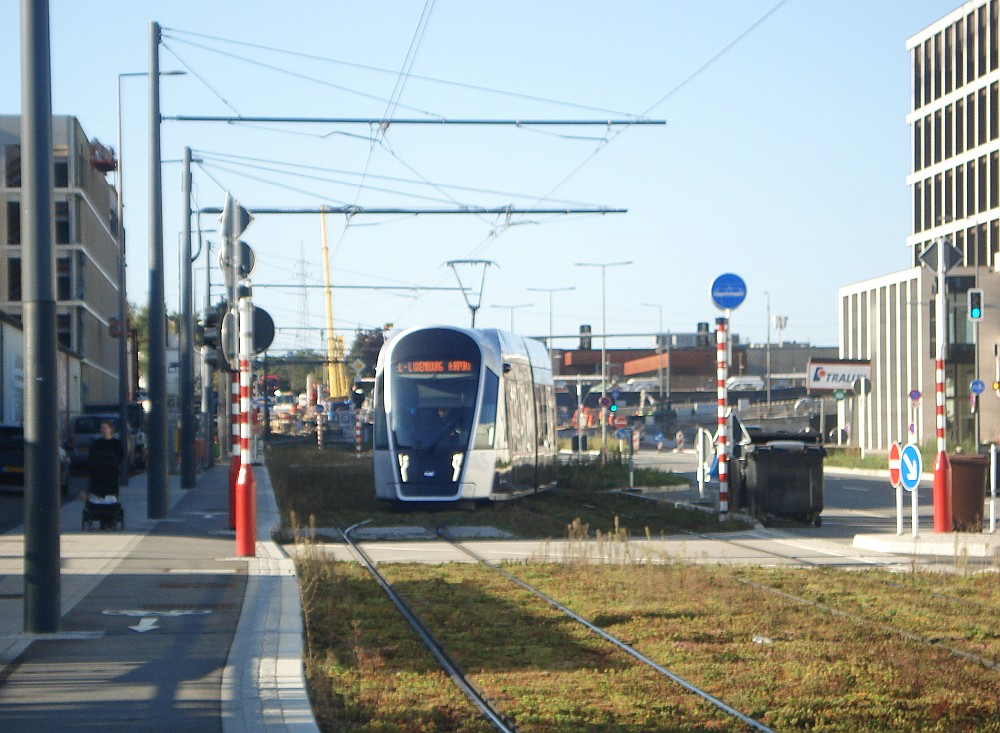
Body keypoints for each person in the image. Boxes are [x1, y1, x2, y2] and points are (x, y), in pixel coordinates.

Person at [88, 419, 124, 498]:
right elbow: (91, 457)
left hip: (111, 474)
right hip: (98, 474)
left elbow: (120, 457)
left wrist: (114, 465)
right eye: (101, 428)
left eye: (105, 428)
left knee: (111, 496)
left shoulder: (116, 444)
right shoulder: (96, 443)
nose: (102, 430)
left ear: (111, 429)